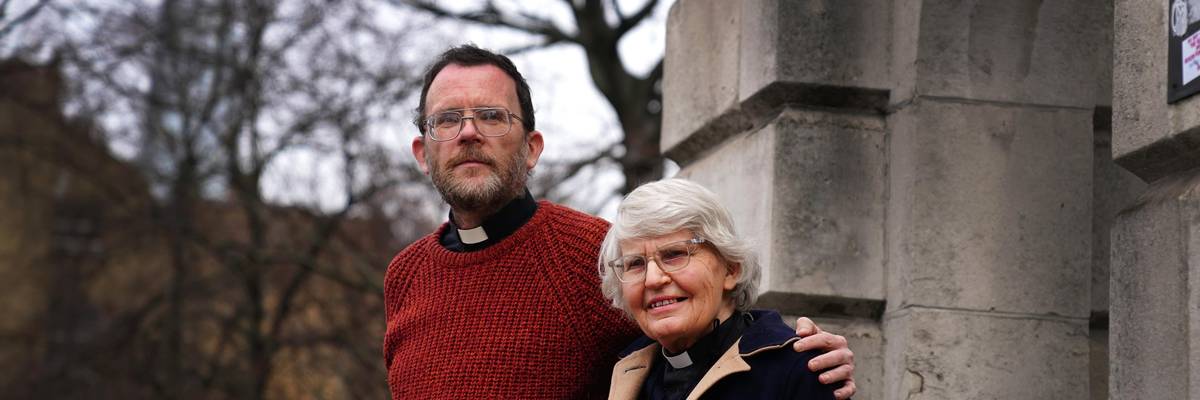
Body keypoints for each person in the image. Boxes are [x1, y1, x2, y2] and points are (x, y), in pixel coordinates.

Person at [383, 44, 857, 399]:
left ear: (532, 148)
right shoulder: (403, 276)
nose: (468, 132)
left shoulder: (600, 253)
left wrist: (804, 355)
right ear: (424, 154)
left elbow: (706, 322)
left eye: (491, 116)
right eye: (446, 120)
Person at [600, 178, 833, 399]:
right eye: (635, 263)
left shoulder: (796, 370)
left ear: (731, 270)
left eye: (674, 254)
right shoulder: (624, 372)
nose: (652, 279)